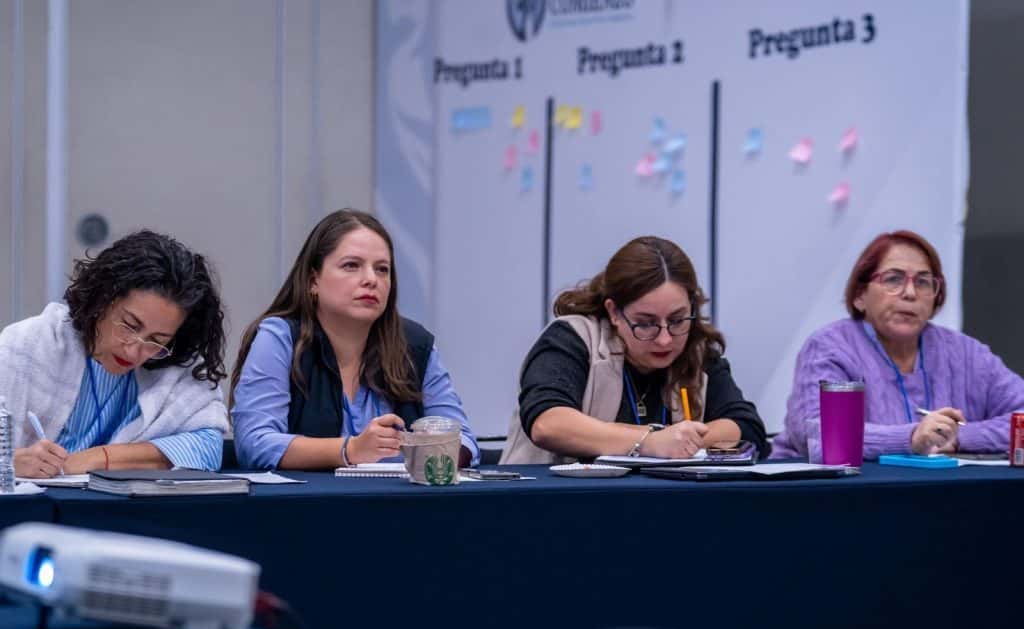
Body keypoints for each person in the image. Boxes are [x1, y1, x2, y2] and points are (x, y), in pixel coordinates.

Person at [230, 209, 479, 470]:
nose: (371, 279)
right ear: (313, 280)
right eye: (351, 266)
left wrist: (441, 451)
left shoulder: (415, 346)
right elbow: (254, 444)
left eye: (382, 269)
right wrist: (351, 449)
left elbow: (465, 442)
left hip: (404, 506)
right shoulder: (281, 339)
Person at [500, 235, 767, 464]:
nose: (664, 339)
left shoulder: (694, 348)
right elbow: (548, 423)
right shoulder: (574, 338)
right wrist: (649, 442)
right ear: (614, 312)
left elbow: (747, 428)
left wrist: (682, 440)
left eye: (676, 320)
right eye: (645, 324)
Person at [773, 230, 1024, 460]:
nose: (910, 293)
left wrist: (959, 436)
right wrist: (912, 438)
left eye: (924, 282)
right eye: (893, 279)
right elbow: (817, 434)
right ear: (860, 295)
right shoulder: (830, 348)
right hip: (836, 498)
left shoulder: (966, 353)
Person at [2, 230, 229, 478]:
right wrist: (10, 463)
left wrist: (98, 458)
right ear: (102, 300)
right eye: (130, 325)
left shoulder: (174, 361)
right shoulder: (28, 344)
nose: (134, 350)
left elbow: (207, 448)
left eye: (156, 340)